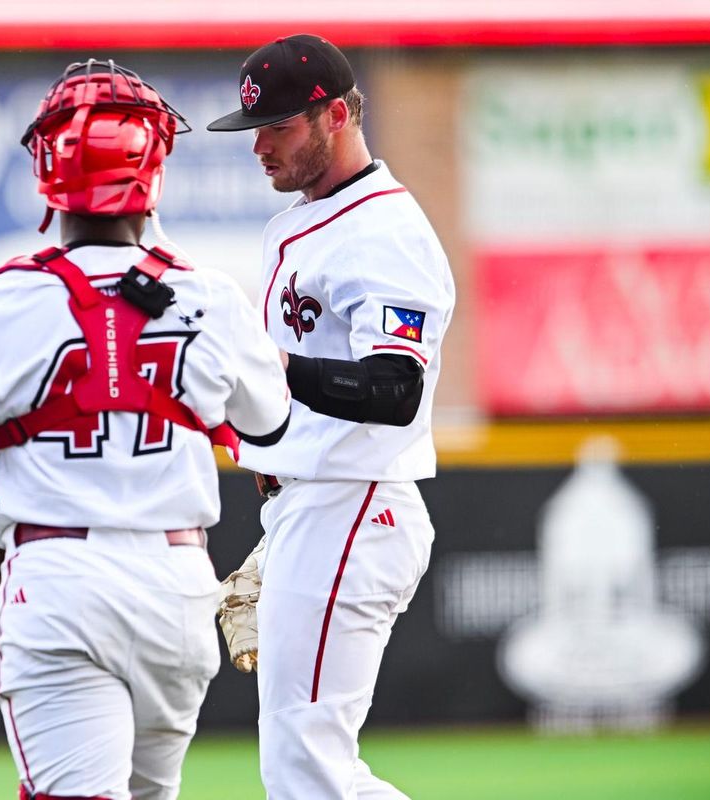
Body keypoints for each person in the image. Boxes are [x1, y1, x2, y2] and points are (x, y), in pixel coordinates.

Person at [0, 59, 291, 800]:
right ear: (153, 170)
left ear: (47, 173)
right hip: (177, 587)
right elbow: (277, 431)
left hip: (60, 580)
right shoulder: (211, 297)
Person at [207, 34, 456, 799]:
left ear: (338, 114)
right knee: (303, 762)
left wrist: (276, 373)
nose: (261, 145)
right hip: (314, 505)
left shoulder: (386, 231)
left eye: (280, 125)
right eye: (256, 128)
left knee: (306, 765)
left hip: (355, 501)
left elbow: (394, 391)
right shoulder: (302, 222)